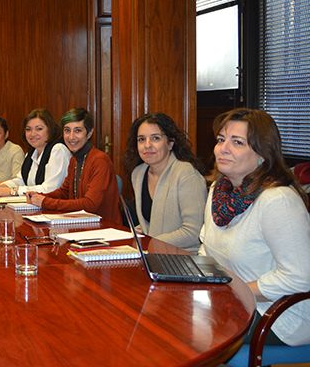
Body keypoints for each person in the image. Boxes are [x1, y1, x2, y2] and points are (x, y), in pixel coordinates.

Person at [199, 108, 310, 347]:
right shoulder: (218, 191)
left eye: (237, 142)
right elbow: (206, 248)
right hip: (232, 300)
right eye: (221, 140)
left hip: (279, 314)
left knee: (190, 331)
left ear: (262, 154)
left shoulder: (277, 201)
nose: (223, 148)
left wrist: (236, 290)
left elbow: (301, 277)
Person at [123, 113, 206, 253]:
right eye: (141, 139)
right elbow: (149, 225)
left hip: (182, 259)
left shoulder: (186, 174)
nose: (147, 145)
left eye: (155, 138)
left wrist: (149, 242)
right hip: (153, 255)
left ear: (170, 143)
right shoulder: (138, 173)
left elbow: (193, 232)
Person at [27, 108, 121, 224]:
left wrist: (45, 201)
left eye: (77, 131)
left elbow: (89, 205)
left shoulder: (100, 160)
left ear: (89, 133)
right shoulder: (74, 160)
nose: (71, 137)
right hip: (81, 224)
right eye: (67, 131)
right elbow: (64, 192)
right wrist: (38, 196)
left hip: (106, 229)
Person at [0, 109, 70, 196]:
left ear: (50, 130)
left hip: (57, 208)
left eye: (39, 129)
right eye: (28, 129)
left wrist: (12, 191)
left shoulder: (58, 150)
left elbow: (50, 189)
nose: (32, 134)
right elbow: (21, 180)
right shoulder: (31, 153)